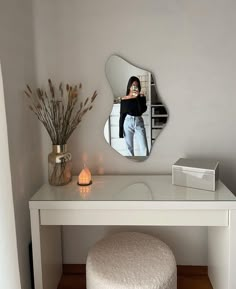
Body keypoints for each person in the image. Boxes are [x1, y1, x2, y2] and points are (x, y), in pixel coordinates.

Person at [119, 76, 149, 156]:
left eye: (137, 85)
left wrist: (137, 98)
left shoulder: (141, 97)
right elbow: (122, 115)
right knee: (129, 149)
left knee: (144, 148)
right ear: (129, 86)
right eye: (133, 85)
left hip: (138, 121)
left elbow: (141, 111)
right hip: (127, 122)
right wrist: (120, 131)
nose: (135, 87)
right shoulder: (125, 99)